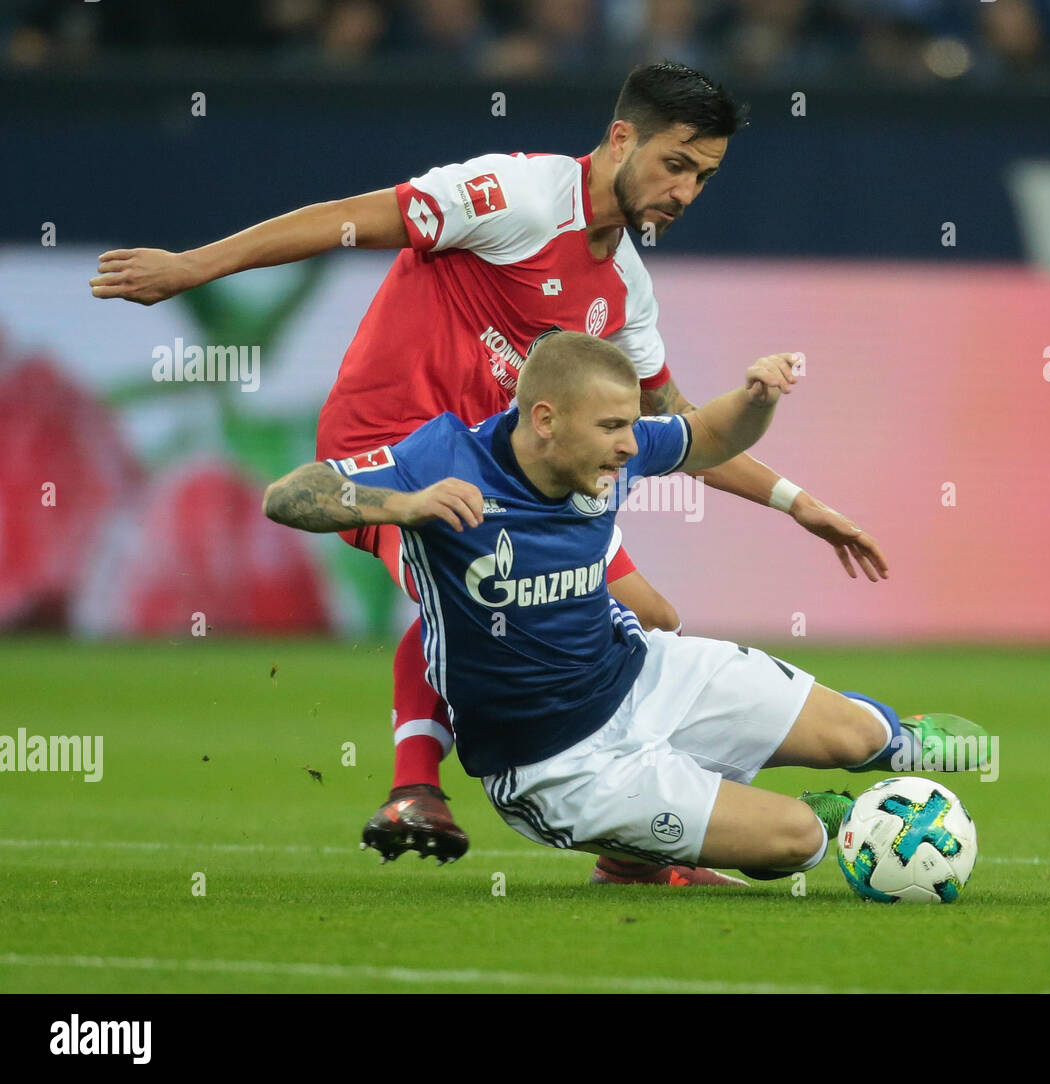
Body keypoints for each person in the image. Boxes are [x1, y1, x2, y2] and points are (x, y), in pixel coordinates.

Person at [90, 61, 887, 884]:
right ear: (622, 138)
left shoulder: (623, 290)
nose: (685, 190)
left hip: (506, 474)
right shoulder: (519, 195)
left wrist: (798, 503)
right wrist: (193, 266)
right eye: (675, 164)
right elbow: (348, 221)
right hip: (391, 449)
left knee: (653, 615)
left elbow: (682, 426)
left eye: (704, 176)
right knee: (472, 577)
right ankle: (414, 787)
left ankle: (638, 841)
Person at [262, 332, 983, 881]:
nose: (628, 446)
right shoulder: (442, 460)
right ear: (545, 419)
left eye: (631, 425)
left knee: (858, 734)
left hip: (640, 677)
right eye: (611, 427)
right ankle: (831, 820)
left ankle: (899, 747)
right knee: (797, 841)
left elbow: (708, 438)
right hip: (556, 766)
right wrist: (403, 503)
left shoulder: (620, 448)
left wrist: (756, 399)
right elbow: (287, 495)